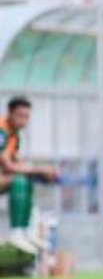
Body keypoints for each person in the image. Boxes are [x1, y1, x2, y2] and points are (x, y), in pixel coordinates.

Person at [0, 97, 58, 254]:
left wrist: (42, 172)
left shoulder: (14, 135)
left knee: (26, 180)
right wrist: (39, 170)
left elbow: (19, 161)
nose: (23, 120)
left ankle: (27, 232)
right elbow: (8, 166)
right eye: (20, 115)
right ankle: (16, 233)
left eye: (27, 116)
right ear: (10, 113)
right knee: (19, 181)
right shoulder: (2, 131)